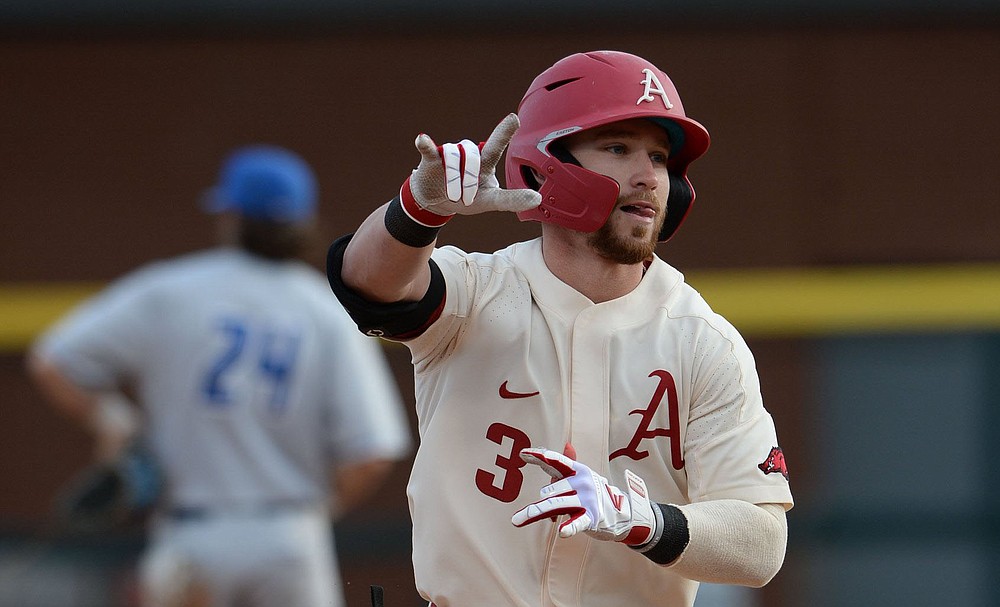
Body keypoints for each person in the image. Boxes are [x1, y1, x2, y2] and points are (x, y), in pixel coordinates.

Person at [326, 50, 793, 606]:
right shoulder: (477, 291)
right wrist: (418, 208)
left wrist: (642, 520)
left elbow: (762, 545)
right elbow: (367, 284)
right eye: (618, 148)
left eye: (660, 157)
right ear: (546, 162)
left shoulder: (702, 341)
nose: (648, 176)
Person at [27, 145, 412, 607]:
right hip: (289, 536)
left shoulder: (172, 291)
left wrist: (114, 422)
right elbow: (371, 453)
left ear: (230, 215)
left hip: (193, 537)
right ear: (301, 223)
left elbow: (53, 360)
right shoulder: (324, 310)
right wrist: (307, 519)